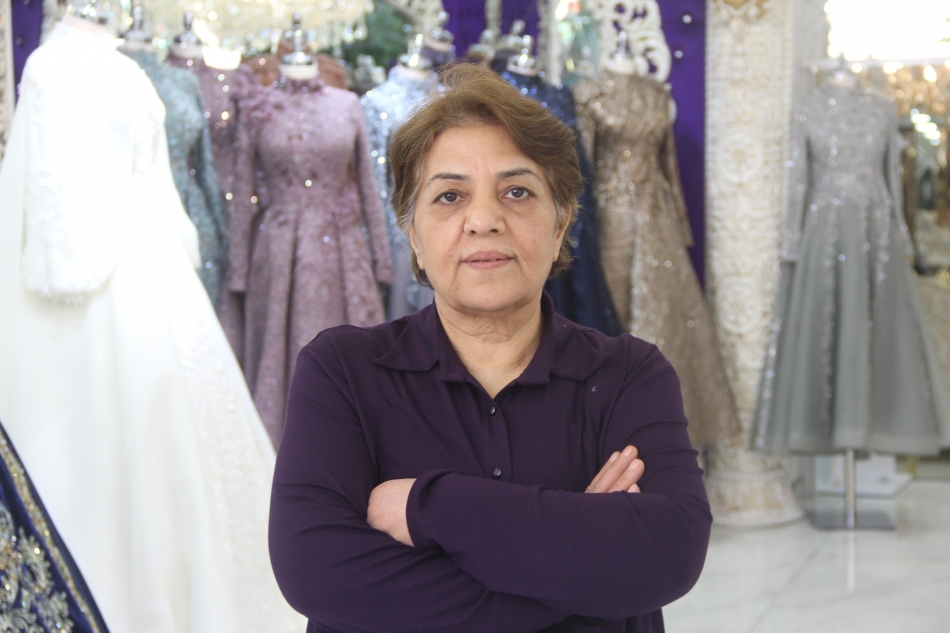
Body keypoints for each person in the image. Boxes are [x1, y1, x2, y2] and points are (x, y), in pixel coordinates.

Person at [269, 63, 711, 633]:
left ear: (561, 223)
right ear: (413, 234)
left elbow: (667, 553)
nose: (483, 219)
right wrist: (581, 565)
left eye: (517, 192)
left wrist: (428, 507)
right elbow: (316, 573)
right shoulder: (341, 371)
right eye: (450, 195)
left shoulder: (630, 373)